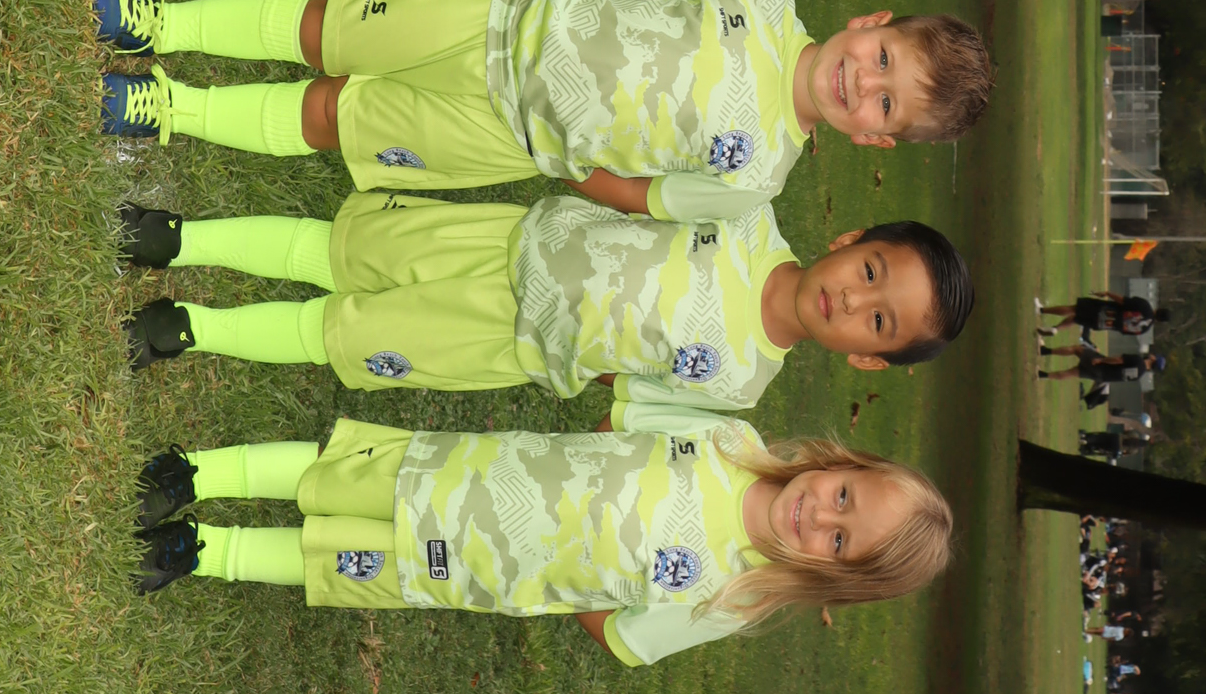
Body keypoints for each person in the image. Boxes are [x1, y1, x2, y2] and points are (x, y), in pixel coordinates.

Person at [94, 0, 995, 213]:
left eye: (885, 105)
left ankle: (171, 107)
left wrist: (565, 159)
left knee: (339, 118)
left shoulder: (757, 175)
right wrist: (586, 10)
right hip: (506, 22)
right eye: (883, 59)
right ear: (872, 22)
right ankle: (163, 24)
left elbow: (647, 194)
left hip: (510, 136)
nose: (862, 82)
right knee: (331, 28)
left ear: (871, 137)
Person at [127, 413, 953, 661]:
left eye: (839, 542)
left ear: (832, 577)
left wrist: (561, 572)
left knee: (338, 560)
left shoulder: (730, 599)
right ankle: (198, 471)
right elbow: (625, 418)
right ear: (840, 463)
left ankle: (207, 552)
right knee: (339, 475)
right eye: (843, 497)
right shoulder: (728, 439)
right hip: (469, 472)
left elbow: (622, 634)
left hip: (470, 568)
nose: (820, 516)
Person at [117, 189, 974, 409]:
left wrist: (570, 344)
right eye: (871, 273)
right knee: (347, 251)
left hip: (509, 343)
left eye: (879, 322)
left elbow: (630, 388)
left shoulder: (740, 386)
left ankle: (192, 329)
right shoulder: (746, 213)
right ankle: (181, 238)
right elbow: (639, 187)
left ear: (868, 359)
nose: (852, 302)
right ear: (848, 240)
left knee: (349, 333)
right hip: (513, 242)